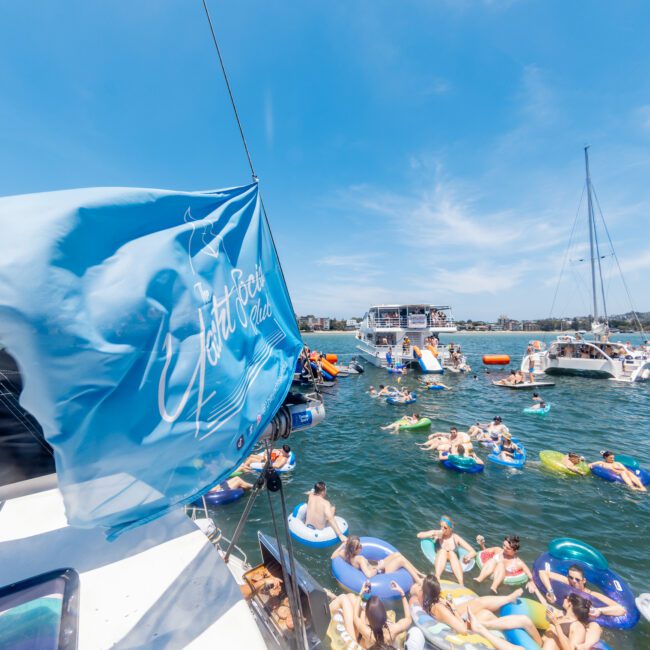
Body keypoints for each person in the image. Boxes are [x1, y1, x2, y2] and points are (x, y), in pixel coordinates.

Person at [409, 574, 542, 645]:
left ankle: (508, 599)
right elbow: (461, 629)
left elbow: (414, 589)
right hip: (463, 624)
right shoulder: (439, 608)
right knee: (487, 614)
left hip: (452, 616)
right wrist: (454, 610)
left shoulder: (425, 600)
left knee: (478, 602)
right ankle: (512, 636)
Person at [328, 580, 412, 649]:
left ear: (368, 618)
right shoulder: (393, 630)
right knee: (351, 598)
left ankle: (331, 602)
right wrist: (402, 594)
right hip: (375, 642)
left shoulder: (368, 632)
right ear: (384, 615)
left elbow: (355, 617)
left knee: (345, 598)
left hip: (357, 642)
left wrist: (361, 594)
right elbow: (408, 619)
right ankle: (335, 598)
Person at [537, 563, 626, 619]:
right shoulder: (567, 581)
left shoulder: (591, 594)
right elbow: (542, 572)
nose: (573, 581)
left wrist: (600, 610)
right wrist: (550, 591)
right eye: (571, 577)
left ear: (584, 581)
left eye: (577, 579)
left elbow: (621, 609)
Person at [331, 536, 425, 583]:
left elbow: (333, 556)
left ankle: (418, 573)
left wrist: (343, 544)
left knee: (396, 554)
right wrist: (378, 568)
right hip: (381, 572)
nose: (361, 546)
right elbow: (368, 575)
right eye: (359, 546)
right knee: (401, 560)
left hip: (376, 565)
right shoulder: (360, 559)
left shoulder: (346, 554)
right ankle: (419, 580)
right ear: (354, 550)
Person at [416, 516, 477, 585]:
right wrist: (434, 533)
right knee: (443, 551)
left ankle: (461, 583)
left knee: (452, 553)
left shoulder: (455, 538)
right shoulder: (437, 534)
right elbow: (419, 535)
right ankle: (437, 577)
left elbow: (473, 552)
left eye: (445, 528)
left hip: (452, 559)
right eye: (441, 526)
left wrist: (468, 557)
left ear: (450, 528)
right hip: (440, 556)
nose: (442, 529)